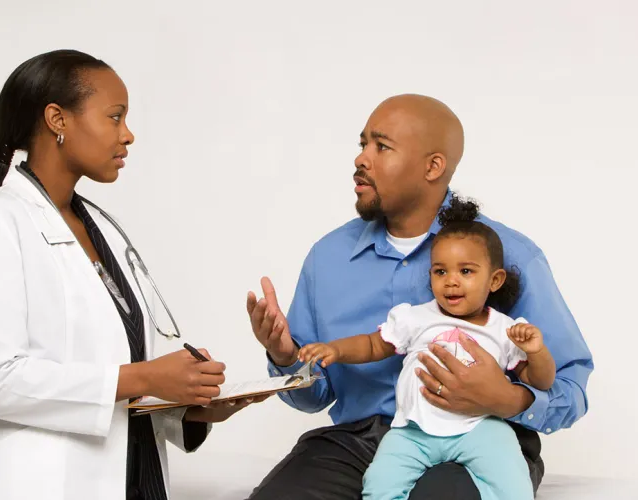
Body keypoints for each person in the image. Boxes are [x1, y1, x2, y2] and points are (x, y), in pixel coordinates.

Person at [0, 49, 263, 500]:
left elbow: (116, 368)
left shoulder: (100, 227)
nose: (127, 135)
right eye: (115, 117)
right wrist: (148, 377)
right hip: (47, 481)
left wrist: (189, 407)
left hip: (137, 475)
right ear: (58, 119)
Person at [245, 94, 593, 499]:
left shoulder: (507, 255)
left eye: (382, 146)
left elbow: (570, 385)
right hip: (363, 441)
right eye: (362, 145)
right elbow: (315, 396)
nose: (361, 160)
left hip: (480, 437)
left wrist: (507, 398)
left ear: (433, 166)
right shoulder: (328, 259)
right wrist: (287, 357)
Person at [298, 197, 556, 500]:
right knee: (379, 483)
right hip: (413, 432)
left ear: (495, 280)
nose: (451, 282)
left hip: (479, 429)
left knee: (511, 480)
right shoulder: (416, 317)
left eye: (466, 272)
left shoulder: (503, 328)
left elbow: (541, 381)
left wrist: (537, 352)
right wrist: (336, 350)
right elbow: (372, 344)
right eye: (440, 272)